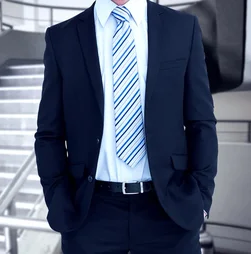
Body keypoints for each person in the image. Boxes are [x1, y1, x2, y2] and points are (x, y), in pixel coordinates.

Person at [35, 0, 218, 253]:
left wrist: (201, 196)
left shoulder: (182, 28)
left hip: (169, 210)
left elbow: (201, 122)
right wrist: (57, 198)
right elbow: (49, 134)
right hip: (90, 214)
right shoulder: (62, 37)